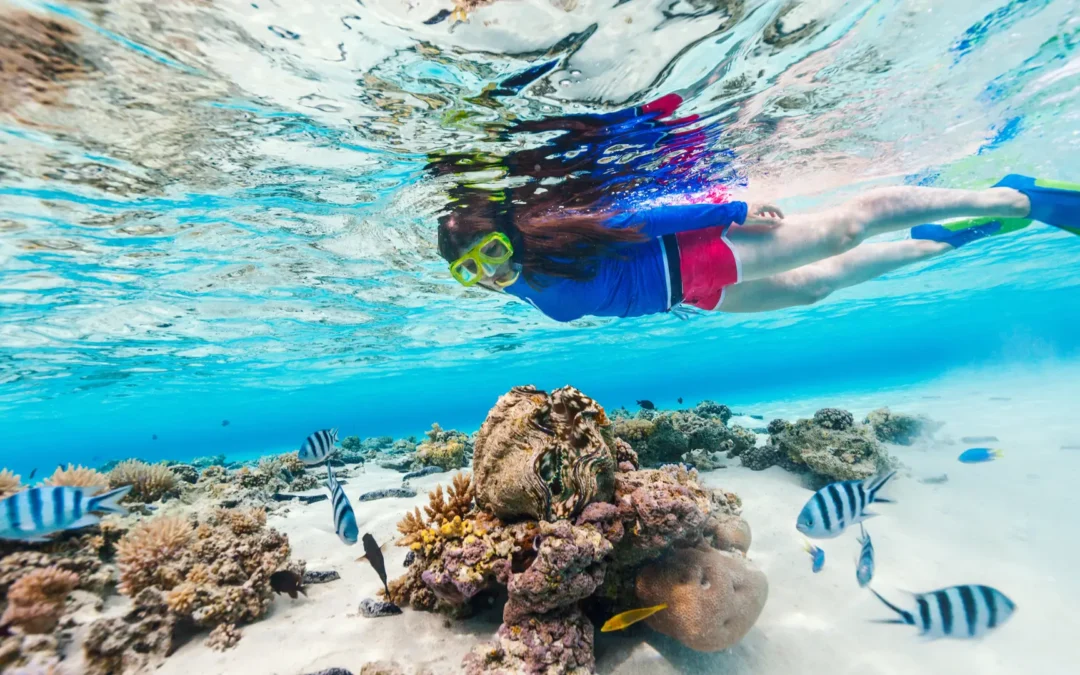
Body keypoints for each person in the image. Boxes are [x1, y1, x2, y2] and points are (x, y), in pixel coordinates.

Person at [436, 175, 1078, 322]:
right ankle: (950, 238)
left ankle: (1011, 198)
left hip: (696, 254)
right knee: (819, 285)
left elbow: (643, 219)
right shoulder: (522, 286)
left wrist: (732, 210)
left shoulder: (562, 231)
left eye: (491, 252)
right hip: (690, 296)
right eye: (472, 272)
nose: (491, 273)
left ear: (508, 232)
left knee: (845, 229)